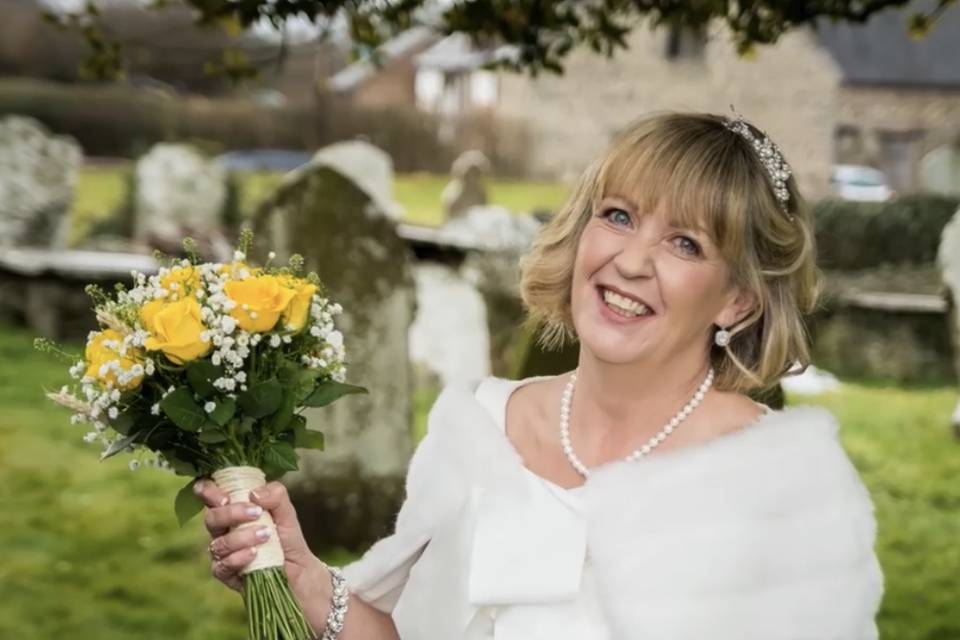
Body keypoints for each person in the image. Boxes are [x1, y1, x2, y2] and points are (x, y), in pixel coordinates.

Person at [195, 111, 884, 639]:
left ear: (738, 297)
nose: (631, 261)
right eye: (618, 217)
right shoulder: (480, 427)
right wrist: (306, 579)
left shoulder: (782, 482)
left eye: (685, 242)